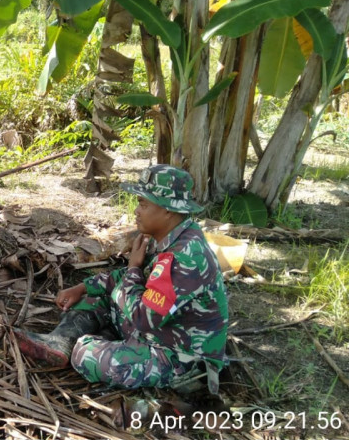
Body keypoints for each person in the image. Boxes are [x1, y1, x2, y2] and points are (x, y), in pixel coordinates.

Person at [14, 165, 228, 392]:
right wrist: (83, 287)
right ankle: (60, 341)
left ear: (167, 210)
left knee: (86, 354)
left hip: (179, 357)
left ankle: (91, 343)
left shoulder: (184, 258)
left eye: (143, 204)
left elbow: (143, 317)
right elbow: (130, 280)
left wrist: (133, 267)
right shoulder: (169, 236)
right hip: (158, 330)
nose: (136, 211)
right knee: (94, 297)